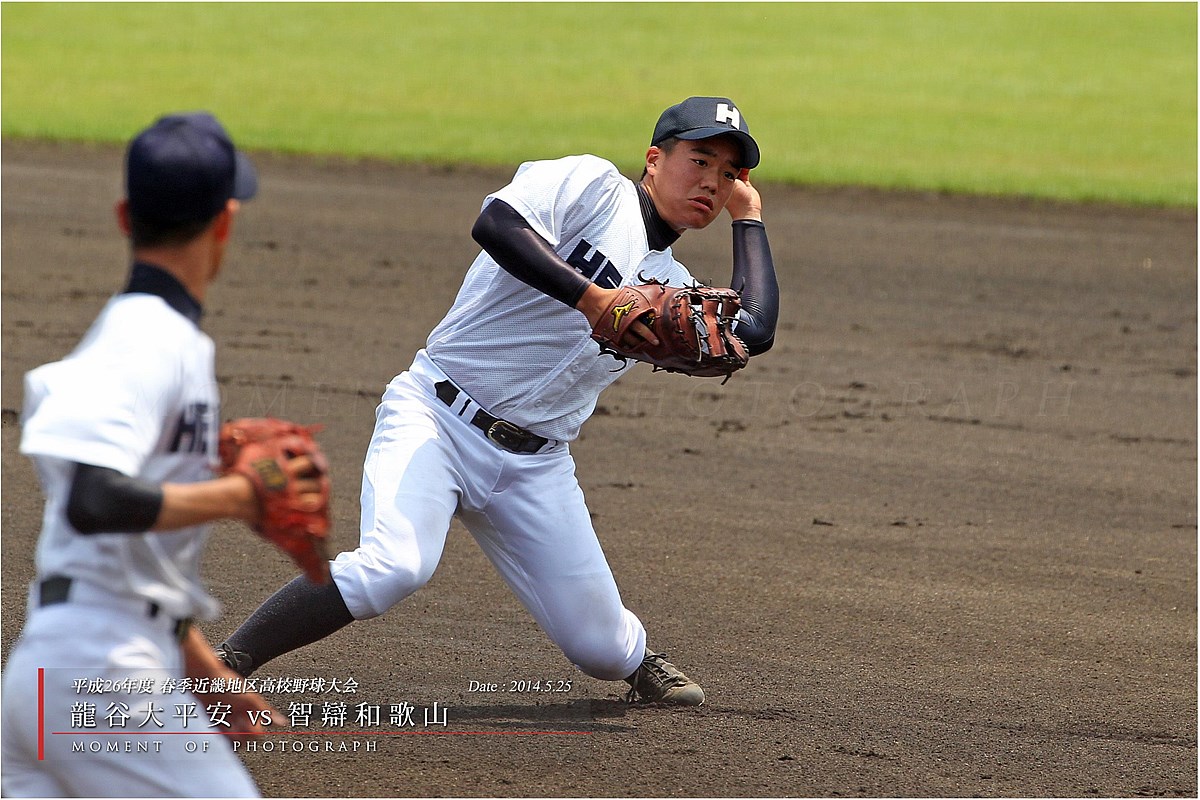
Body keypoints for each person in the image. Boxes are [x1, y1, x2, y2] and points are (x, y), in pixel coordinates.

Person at [216, 96, 779, 706]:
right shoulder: (591, 185)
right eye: (699, 160)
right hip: (436, 417)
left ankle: (642, 661)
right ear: (653, 158)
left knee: (603, 651)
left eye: (727, 174)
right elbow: (496, 224)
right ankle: (223, 663)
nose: (712, 183)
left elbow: (753, 330)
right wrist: (593, 299)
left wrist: (749, 218)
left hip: (535, 466)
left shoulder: (671, 287)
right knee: (394, 567)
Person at [1, 112, 321, 797]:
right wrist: (244, 494)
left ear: (124, 216)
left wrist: (206, 677)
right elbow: (94, 501)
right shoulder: (147, 339)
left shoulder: (157, 339)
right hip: (103, 673)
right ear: (225, 221)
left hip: (60, 666)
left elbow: (116, 555)